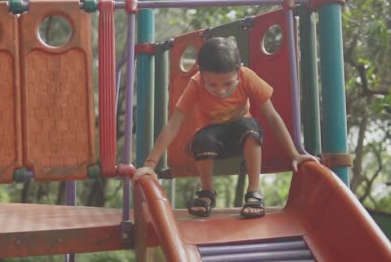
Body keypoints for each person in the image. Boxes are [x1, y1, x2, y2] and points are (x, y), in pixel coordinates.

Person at [133, 37, 317, 218]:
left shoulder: (247, 77)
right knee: (201, 139)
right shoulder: (196, 84)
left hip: (241, 134)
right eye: (212, 84)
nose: (220, 90)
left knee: (250, 128)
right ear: (201, 73)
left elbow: (272, 116)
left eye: (228, 83)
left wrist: (294, 153)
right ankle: (207, 191)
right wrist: (150, 164)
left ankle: (254, 192)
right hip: (213, 139)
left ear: (239, 71)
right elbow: (173, 124)